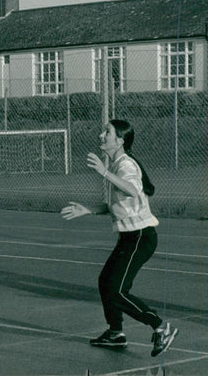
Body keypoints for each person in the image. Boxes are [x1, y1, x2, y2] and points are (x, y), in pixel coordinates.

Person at [60, 119, 177, 357]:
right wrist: (89, 209)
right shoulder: (116, 165)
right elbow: (118, 204)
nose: (101, 135)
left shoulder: (126, 165)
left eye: (108, 132)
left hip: (140, 238)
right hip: (129, 238)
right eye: (103, 131)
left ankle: (160, 327)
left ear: (120, 140)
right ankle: (115, 333)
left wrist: (104, 173)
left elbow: (132, 190)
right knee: (106, 282)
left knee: (116, 290)